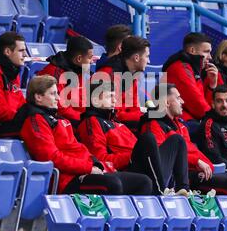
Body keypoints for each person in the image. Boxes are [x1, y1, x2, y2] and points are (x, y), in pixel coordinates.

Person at [18, 75, 153, 195]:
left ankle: (127, 222)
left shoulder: (60, 120)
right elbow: (51, 157)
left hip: (85, 171)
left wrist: (98, 165)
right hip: (69, 179)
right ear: (38, 97)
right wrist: (88, 168)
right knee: (113, 184)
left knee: (144, 182)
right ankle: (106, 222)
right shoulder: (35, 121)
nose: (58, 98)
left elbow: (79, 150)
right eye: (53, 94)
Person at [140, 83, 227, 195]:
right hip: (174, 180)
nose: (182, 101)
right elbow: (160, 159)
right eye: (178, 98)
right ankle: (183, 191)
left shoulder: (182, 126)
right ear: (166, 102)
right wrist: (197, 162)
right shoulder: (153, 125)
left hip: (195, 174)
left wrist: (203, 165)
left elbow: (199, 156)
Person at [77, 81, 190, 196]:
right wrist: (132, 156)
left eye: (114, 96)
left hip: (145, 166)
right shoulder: (91, 121)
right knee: (148, 138)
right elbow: (101, 159)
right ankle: (161, 191)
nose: (114, 101)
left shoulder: (116, 122)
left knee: (177, 140)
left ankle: (184, 190)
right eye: (109, 96)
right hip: (128, 169)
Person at [95, 36, 150, 130]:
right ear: (136, 58)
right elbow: (112, 113)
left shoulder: (132, 73)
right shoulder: (108, 74)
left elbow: (134, 107)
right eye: (147, 56)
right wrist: (144, 117)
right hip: (109, 125)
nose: (149, 61)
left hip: (125, 123)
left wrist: (144, 115)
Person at [38, 36, 93, 126]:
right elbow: (58, 107)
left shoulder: (84, 70)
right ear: (79, 58)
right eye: (90, 58)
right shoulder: (54, 72)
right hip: (60, 120)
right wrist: (83, 118)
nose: (91, 61)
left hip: (80, 118)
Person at [162, 32, 218, 123]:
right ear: (192, 50)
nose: (210, 57)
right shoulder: (180, 68)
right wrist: (216, 118)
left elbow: (204, 104)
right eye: (206, 52)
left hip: (190, 119)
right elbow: (197, 105)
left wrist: (212, 86)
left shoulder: (193, 68)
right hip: (179, 121)